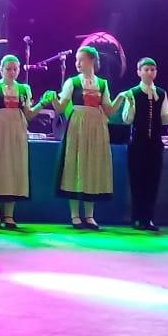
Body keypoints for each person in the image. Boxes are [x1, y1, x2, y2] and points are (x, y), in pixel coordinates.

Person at [0, 55, 53, 229]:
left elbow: (28, 114)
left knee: (14, 169)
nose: (12, 72)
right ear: (1, 70)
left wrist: (42, 104)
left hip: (17, 134)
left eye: (15, 69)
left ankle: (9, 215)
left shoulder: (23, 89)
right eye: (8, 69)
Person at [50, 46, 126, 230]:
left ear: (91, 61)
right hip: (78, 126)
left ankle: (90, 216)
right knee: (75, 167)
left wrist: (121, 98)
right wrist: (52, 98)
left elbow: (108, 110)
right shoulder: (72, 82)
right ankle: (75, 215)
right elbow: (60, 108)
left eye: (80, 59)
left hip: (96, 128)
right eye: (76, 60)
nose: (77, 63)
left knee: (91, 168)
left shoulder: (102, 84)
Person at [120, 57, 168, 232]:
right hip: (137, 143)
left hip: (155, 144)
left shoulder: (161, 93)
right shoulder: (133, 92)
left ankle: (148, 218)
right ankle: (136, 217)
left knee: (152, 181)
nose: (149, 72)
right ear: (139, 72)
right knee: (137, 181)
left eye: (152, 69)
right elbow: (127, 120)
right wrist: (130, 105)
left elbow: (164, 119)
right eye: (146, 69)